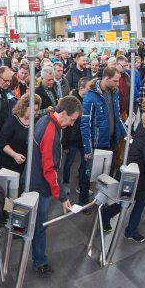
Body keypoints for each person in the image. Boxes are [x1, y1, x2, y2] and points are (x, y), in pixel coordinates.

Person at [27, 96, 81, 277]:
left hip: (35, 181)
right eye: (72, 119)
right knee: (40, 226)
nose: (72, 124)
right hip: (40, 186)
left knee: (37, 225)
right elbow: (49, 167)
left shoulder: (45, 120)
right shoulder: (51, 130)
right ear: (63, 113)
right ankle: (39, 261)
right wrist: (62, 197)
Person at [100, 109, 145, 241]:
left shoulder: (144, 126)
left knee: (127, 202)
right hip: (139, 175)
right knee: (135, 203)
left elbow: (143, 151)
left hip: (133, 170)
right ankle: (128, 229)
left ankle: (118, 222)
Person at [81, 67, 126, 170]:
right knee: (94, 175)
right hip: (98, 144)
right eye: (115, 81)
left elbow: (117, 116)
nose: (117, 84)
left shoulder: (114, 93)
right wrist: (88, 149)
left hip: (112, 141)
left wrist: (126, 133)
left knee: (109, 173)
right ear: (106, 79)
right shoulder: (91, 96)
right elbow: (85, 124)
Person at [0, 93, 40, 187]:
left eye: (36, 110)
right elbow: (2, 142)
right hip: (10, 164)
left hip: (26, 165)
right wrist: (15, 155)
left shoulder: (36, 121)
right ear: (24, 107)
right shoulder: (12, 121)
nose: (34, 112)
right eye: (31, 109)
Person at [62, 77, 90, 207]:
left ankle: (81, 185)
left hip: (83, 139)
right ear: (81, 88)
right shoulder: (70, 101)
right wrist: (65, 143)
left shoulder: (88, 101)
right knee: (68, 163)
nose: (88, 92)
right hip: (72, 139)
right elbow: (66, 126)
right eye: (87, 90)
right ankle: (66, 184)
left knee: (84, 165)